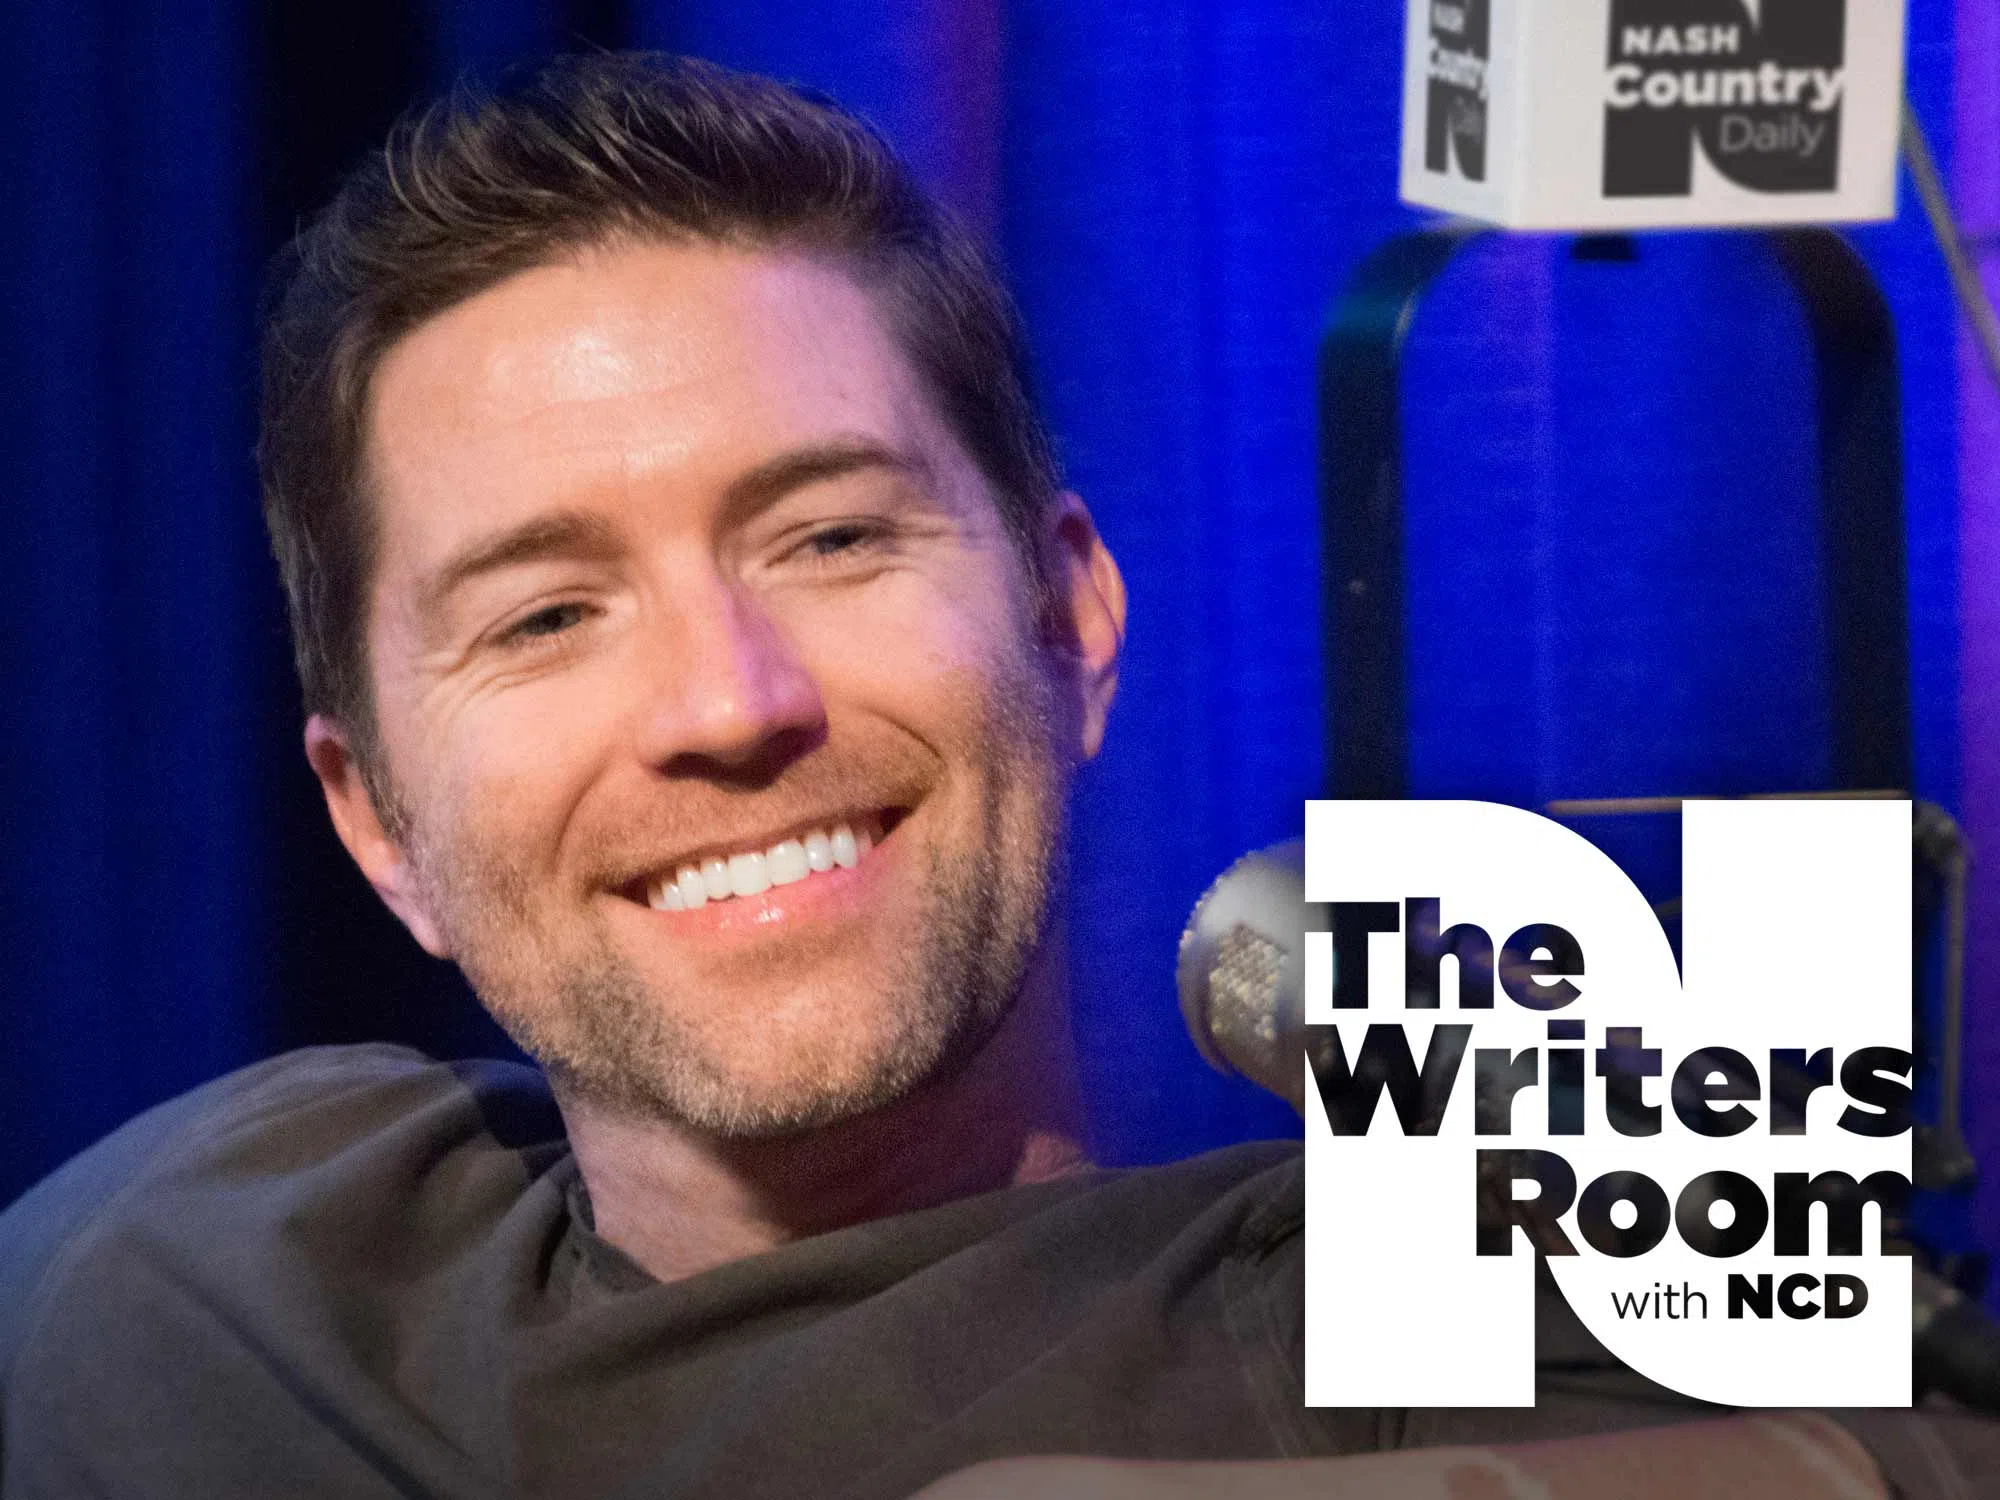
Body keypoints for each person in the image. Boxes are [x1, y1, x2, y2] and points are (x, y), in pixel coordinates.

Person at [0, 52, 1990, 1500]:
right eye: (545, 616)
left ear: (1070, 614)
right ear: (375, 825)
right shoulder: (219, 1270)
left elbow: (1924, 1434)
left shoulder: (1428, 1275)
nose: (727, 700)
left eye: (829, 537)